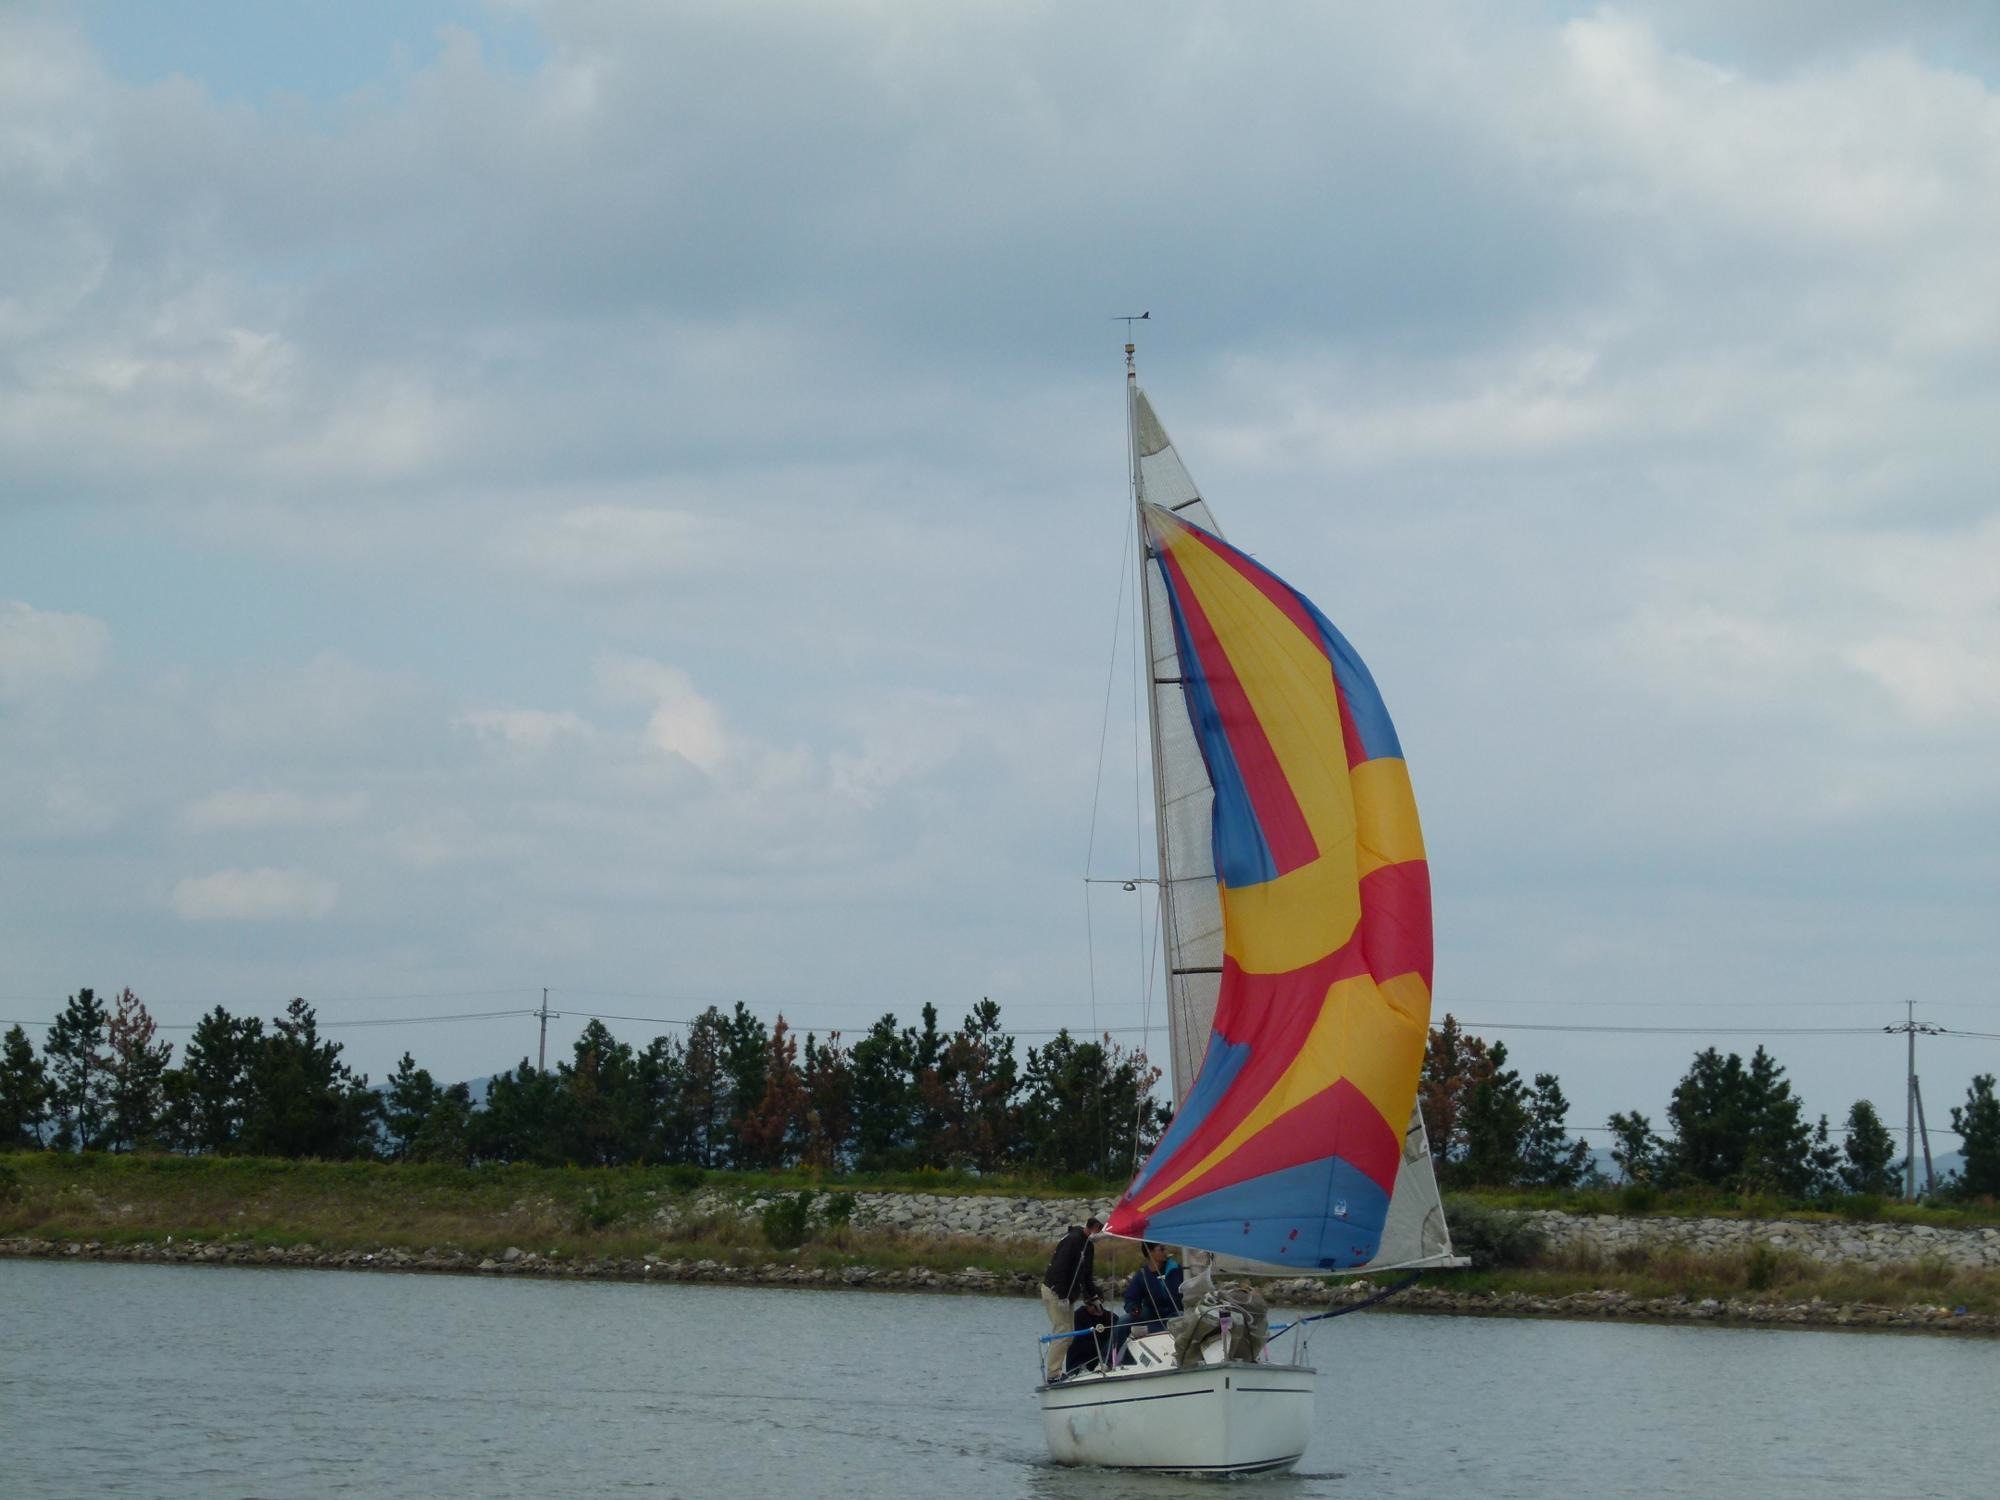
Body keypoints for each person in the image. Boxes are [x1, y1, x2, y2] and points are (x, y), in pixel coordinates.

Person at [1040, 1215, 1103, 1380]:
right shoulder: (1073, 1240)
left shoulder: (1088, 1246)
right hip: (1054, 1291)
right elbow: (1060, 1268)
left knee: (1069, 1334)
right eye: (1101, 1230)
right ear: (1095, 1227)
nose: (1102, 1235)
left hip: (1068, 1296)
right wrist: (1061, 1296)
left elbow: (1086, 1275)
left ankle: (1057, 1371)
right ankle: (1053, 1374)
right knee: (1062, 1331)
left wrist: (1093, 1297)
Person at [1110, 1240, 1183, 1363]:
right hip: (1152, 1313)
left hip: (1174, 1313)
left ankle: (1149, 1330)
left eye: (1165, 1248)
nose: (1165, 1252)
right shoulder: (1142, 1275)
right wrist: (1133, 1308)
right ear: (1150, 1252)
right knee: (1124, 1320)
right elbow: (1131, 1298)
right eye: (1161, 1249)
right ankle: (1109, 1360)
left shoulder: (1176, 1270)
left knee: (1182, 1316)